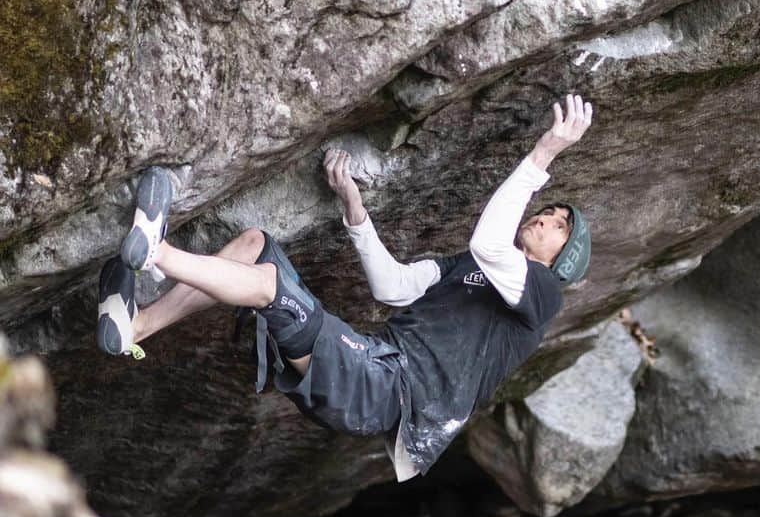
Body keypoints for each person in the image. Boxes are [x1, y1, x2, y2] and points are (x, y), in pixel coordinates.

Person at [97, 95, 593, 479]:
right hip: (370, 369)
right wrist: (354, 207)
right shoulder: (470, 269)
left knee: (274, 289)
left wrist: (543, 154)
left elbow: (490, 242)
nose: (545, 219)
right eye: (549, 212)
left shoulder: (543, 294)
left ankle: (155, 251)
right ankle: (137, 326)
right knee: (255, 246)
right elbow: (392, 286)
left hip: (387, 392)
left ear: (561, 260)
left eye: (558, 227)